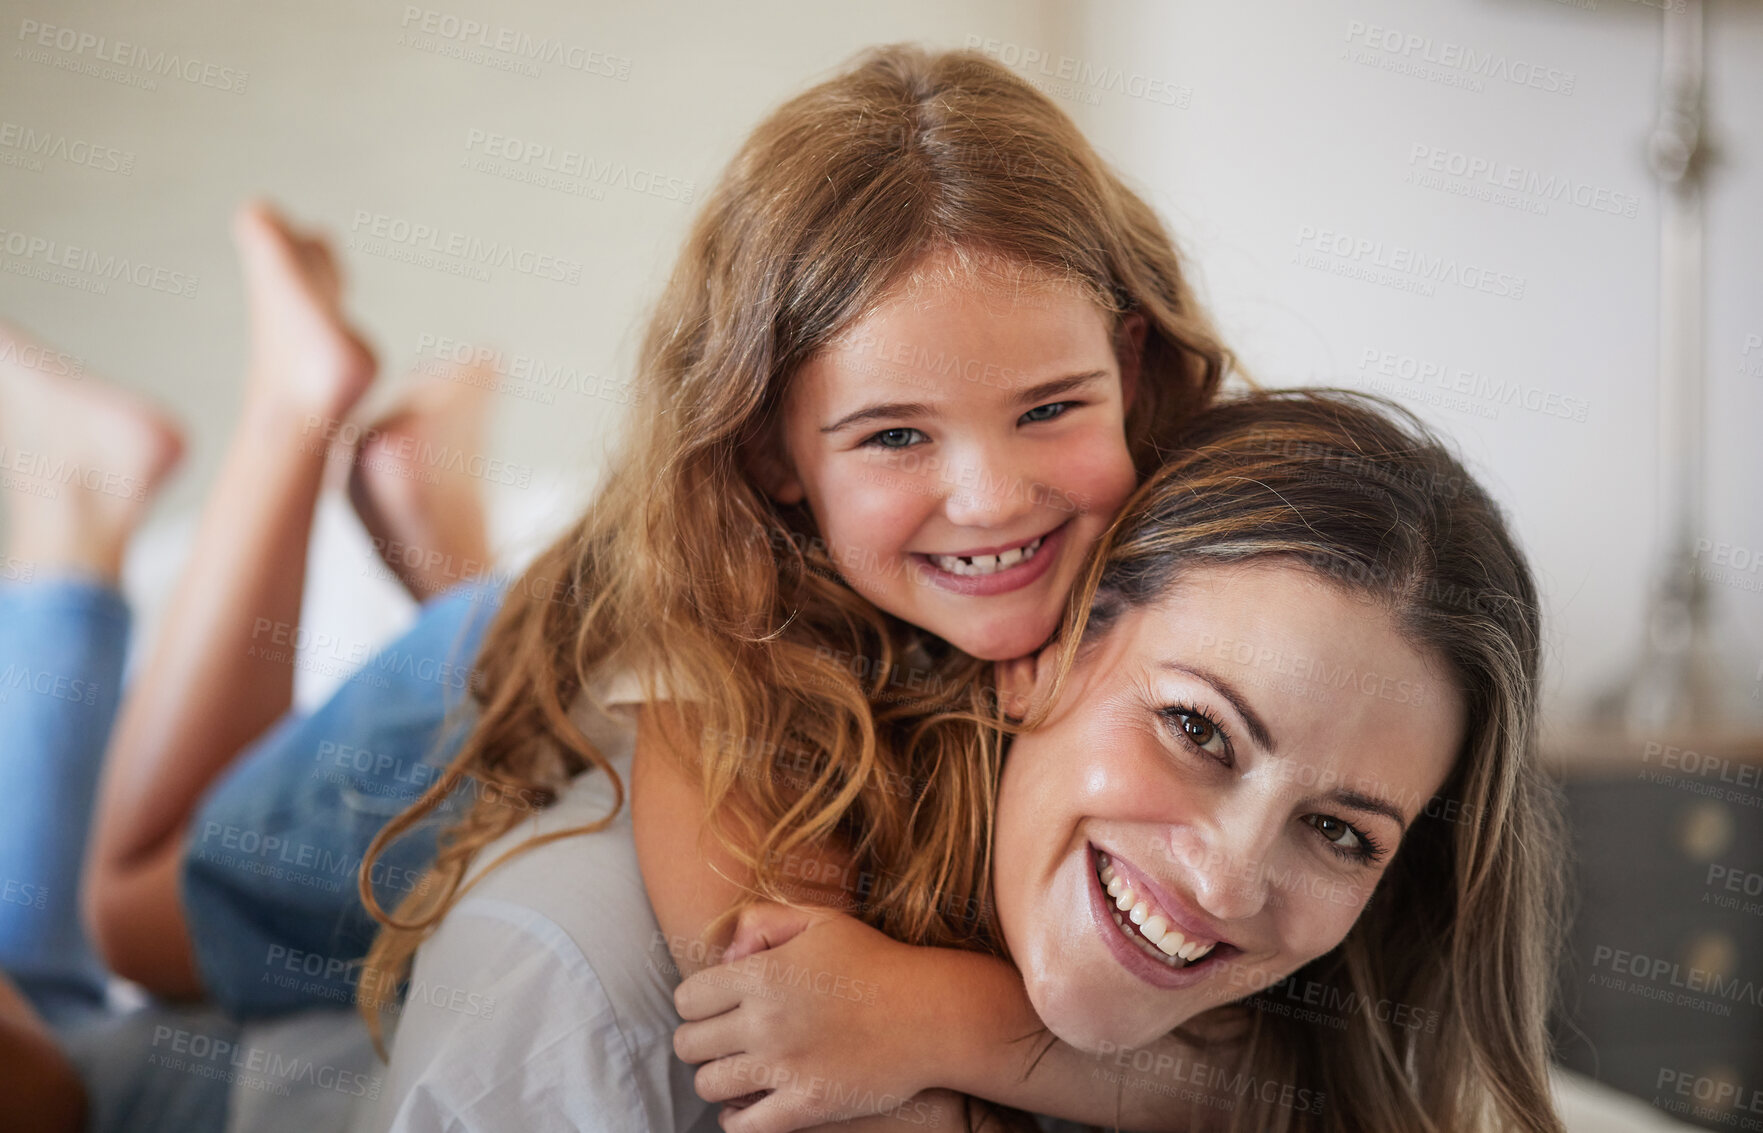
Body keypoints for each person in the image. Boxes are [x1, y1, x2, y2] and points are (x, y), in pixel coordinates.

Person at [356, 43, 1233, 1130]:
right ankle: (296, 450)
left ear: (1130, 364)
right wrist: (932, 1017)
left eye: (1049, 407)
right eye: (896, 433)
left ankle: (444, 532)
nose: (993, 498)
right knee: (147, 906)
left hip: (579, 601)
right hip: (436, 714)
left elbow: (1275, 1075)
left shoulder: (1207, 561)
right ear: (771, 451)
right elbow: (788, 1010)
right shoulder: (714, 639)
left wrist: (937, 1018)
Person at [672, 390, 1568, 1133]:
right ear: (1044, 646)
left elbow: (1264, 1089)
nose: (1226, 882)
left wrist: (943, 1021)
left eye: (1338, 829)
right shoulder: (764, 773)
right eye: (1199, 729)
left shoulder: (1323, 1055)